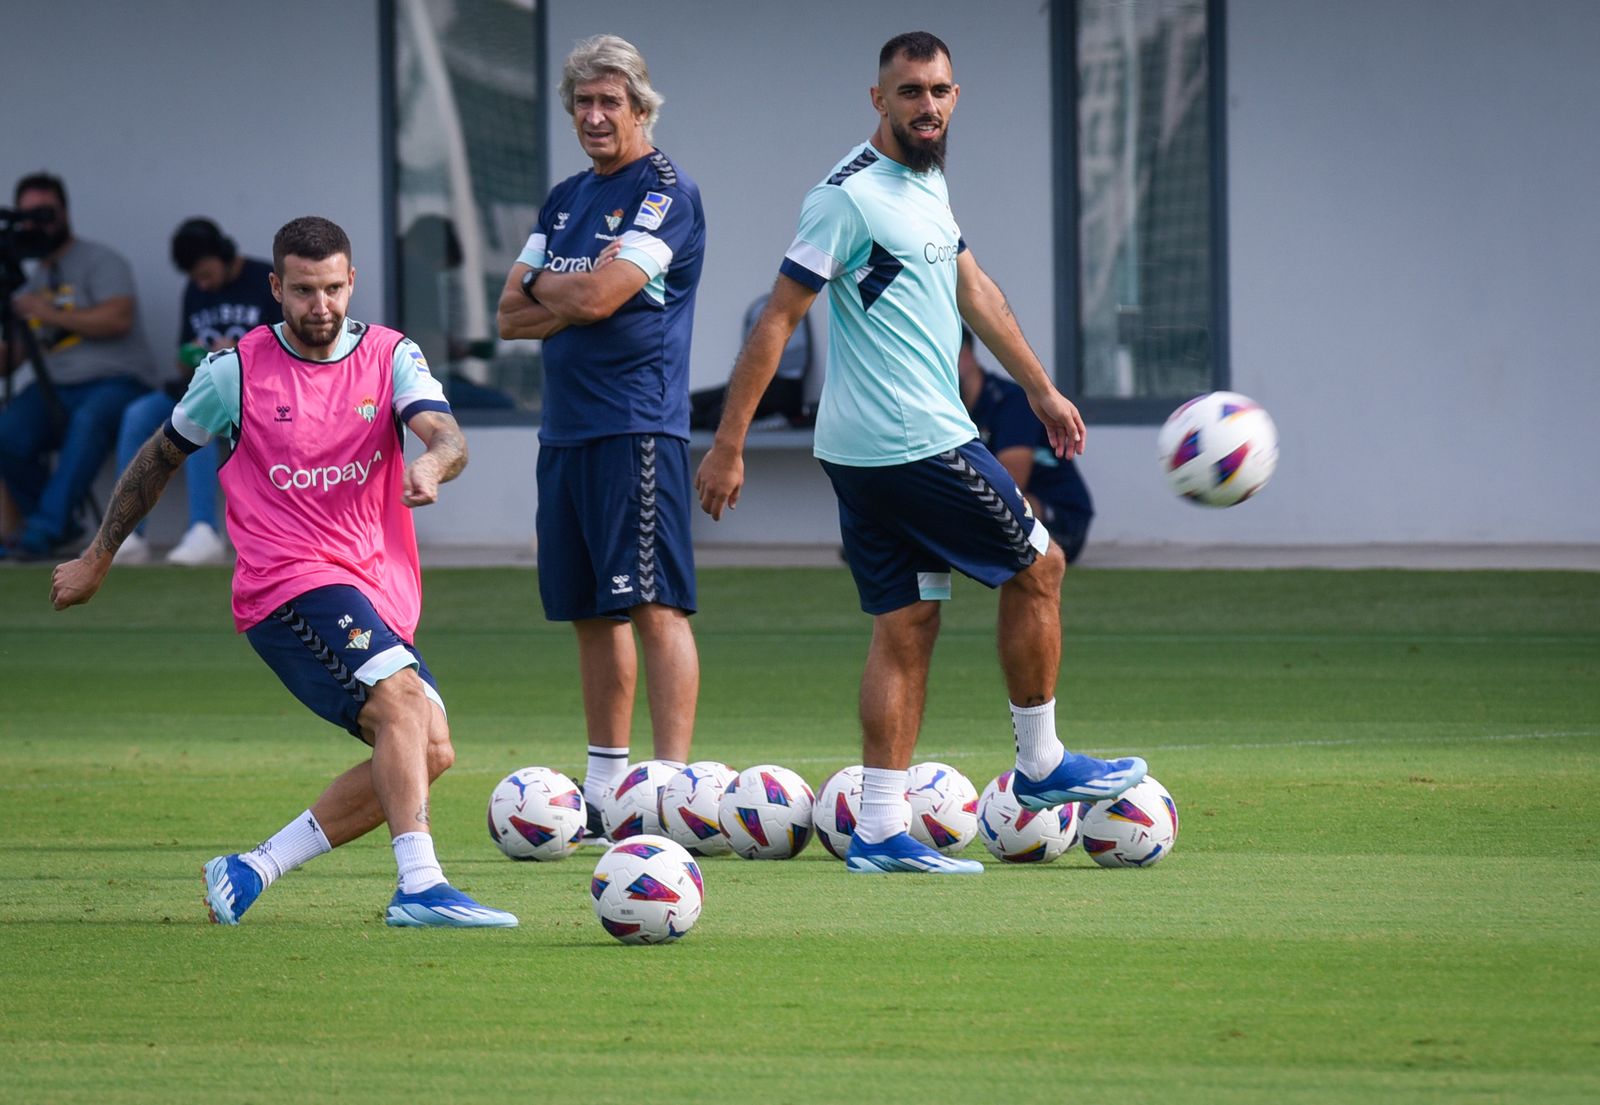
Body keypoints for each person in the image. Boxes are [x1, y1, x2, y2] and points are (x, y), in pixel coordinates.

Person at [695, 32, 1147, 875]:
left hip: (863, 452)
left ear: (955, 96)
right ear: (879, 100)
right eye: (909, 92)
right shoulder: (847, 198)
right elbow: (779, 320)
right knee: (1040, 566)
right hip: (914, 441)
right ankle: (1042, 761)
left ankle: (876, 828)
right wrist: (729, 443)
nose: (927, 106)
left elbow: (975, 291)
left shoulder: (927, 182)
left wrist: (1041, 389)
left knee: (906, 623)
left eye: (939, 91)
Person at [50, 216, 516, 929]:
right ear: (276, 287)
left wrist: (432, 462)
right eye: (303, 290)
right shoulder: (233, 372)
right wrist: (96, 557)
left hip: (373, 588)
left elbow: (446, 434)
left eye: (332, 288)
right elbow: (157, 458)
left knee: (428, 748)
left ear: (351, 281)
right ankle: (420, 886)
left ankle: (252, 868)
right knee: (398, 701)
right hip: (286, 582)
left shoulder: (391, 354)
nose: (320, 305)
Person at [496, 34, 706, 831]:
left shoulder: (666, 193)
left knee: (654, 604)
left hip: (636, 425)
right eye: (582, 102)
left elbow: (590, 300)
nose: (593, 116)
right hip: (566, 431)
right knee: (591, 610)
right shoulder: (563, 199)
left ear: (640, 107)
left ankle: (673, 791)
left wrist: (557, 285)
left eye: (609, 102)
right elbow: (508, 315)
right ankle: (604, 790)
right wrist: (578, 285)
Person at [1, 172, 159, 559]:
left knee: (88, 419)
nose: (37, 224)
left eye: (45, 213)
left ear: (65, 212)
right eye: (27, 216)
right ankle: (57, 524)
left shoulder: (101, 261)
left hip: (118, 381)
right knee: (7, 431)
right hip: (54, 387)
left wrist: (45, 311)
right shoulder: (30, 280)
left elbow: (117, 319)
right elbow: (15, 357)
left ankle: (45, 528)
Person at [113, 218, 281, 566]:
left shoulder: (266, 281)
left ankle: (204, 529)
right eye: (196, 278)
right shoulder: (194, 290)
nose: (202, 283)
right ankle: (130, 530)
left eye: (206, 274)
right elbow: (182, 358)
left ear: (224, 254)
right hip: (200, 384)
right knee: (137, 415)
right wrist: (194, 354)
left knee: (199, 413)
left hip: (254, 391)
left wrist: (239, 350)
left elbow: (288, 349)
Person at [959, 326, 1094, 564]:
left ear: (965, 355)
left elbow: (1010, 483)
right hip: (1001, 520)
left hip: (1059, 516)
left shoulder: (1011, 401)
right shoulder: (951, 409)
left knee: (1007, 499)